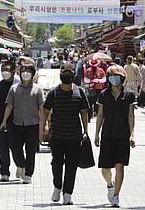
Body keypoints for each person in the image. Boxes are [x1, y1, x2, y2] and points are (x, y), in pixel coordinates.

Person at [41, 63, 89, 205]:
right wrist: (42, 129)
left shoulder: (80, 92)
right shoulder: (54, 92)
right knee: (56, 164)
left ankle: (68, 194)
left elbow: (84, 112)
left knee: (71, 166)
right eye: (64, 72)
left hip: (74, 136)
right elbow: (45, 111)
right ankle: (57, 186)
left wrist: (86, 131)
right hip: (57, 136)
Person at [94, 65, 136, 208]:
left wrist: (132, 135)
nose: (114, 78)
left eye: (117, 76)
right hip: (107, 134)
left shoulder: (129, 95)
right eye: (111, 76)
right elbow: (100, 115)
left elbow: (131, 115)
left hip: (123, 135)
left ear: (122, 78)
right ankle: (109, 184)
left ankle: (116, 195)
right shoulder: (103, 94)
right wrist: (96, 134)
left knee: (120, 166)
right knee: (105, 168)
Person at [0, 64, 44, 184]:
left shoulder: (37, 89)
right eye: (23, 71)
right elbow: (9, 105)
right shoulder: (14, 89)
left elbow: (41, 108)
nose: (25, 74)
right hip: (17, 124)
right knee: (15, 148)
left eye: (28, 72)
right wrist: (4, 121)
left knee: (31, 151)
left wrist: (44, 124)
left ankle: (28, 174)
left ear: (32, 74)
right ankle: (21, 165)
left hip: (33, 124)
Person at [0, 61, 19, 181]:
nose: (4, 73)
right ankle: (4, 173)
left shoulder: (18, 86)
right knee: (2, 148)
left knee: (15, 147)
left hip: (16, 121)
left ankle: (20, 166)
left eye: (7, 70)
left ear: (13, 71)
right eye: (3, 70)